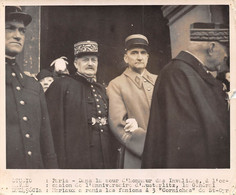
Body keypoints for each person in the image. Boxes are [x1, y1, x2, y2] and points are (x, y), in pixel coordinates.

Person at [142, 22, 230, 168]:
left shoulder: (189, 72)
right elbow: (185, 140)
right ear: (212, 48)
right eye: (225, 57)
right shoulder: (177, 74)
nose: (225, 62)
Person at [46, 40, 117, 169]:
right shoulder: (61, 85)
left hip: (103, 157)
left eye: (94, 60)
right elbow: (52, 128)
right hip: (76, 158)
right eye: (85, 60)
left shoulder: (101, 89)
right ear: (75, 63)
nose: (90, 63)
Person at [5, 6, 58, 169]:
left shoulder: (33, 85)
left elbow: (47, 144)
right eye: (10, 28)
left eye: (22, 31)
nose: (18, 35)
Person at [107, 34, 157, 168]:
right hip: (137, 154)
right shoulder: (116, 84)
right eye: (134, 53)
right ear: (126, 57)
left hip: (164, 151)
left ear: (147, 57)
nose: (139, 57)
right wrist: (146, 143)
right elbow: (118, 124)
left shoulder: (159, 80)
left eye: (143, 53)